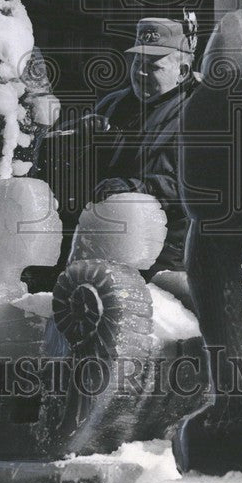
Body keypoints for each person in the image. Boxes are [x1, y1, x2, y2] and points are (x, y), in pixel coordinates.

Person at [91, 17, 198, 284]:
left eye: (153, 66)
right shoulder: (114, 104)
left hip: (170, 257)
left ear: (182, 71)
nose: (140, 73)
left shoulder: (202, 111)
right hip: (109, 245)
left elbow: (202, 183)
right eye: (138, 63)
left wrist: (138, 189)